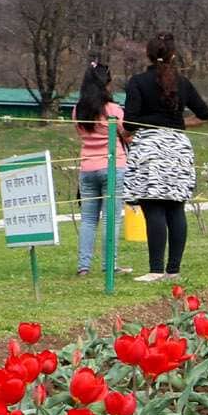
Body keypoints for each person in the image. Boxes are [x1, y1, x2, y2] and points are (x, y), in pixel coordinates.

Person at [118, 32, 208, 281]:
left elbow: (130, 120)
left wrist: (125, 132)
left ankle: (156, 269)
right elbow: (204, 113)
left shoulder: (138, 81)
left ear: (148, 55)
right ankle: (174, 270)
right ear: (173, 55)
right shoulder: (182, 82)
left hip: (149, 147)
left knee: (154, 207)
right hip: (178, 147)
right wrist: (179, 124)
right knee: (176, 207)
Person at [72, 53, 122, 279]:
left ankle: (84, 266)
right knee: (112, 218)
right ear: (106, 83)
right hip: (113, 166)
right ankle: (109, 265)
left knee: (89, 219)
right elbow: (126, 135)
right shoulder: (113, 110)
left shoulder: (77, 111)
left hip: (87, 167)